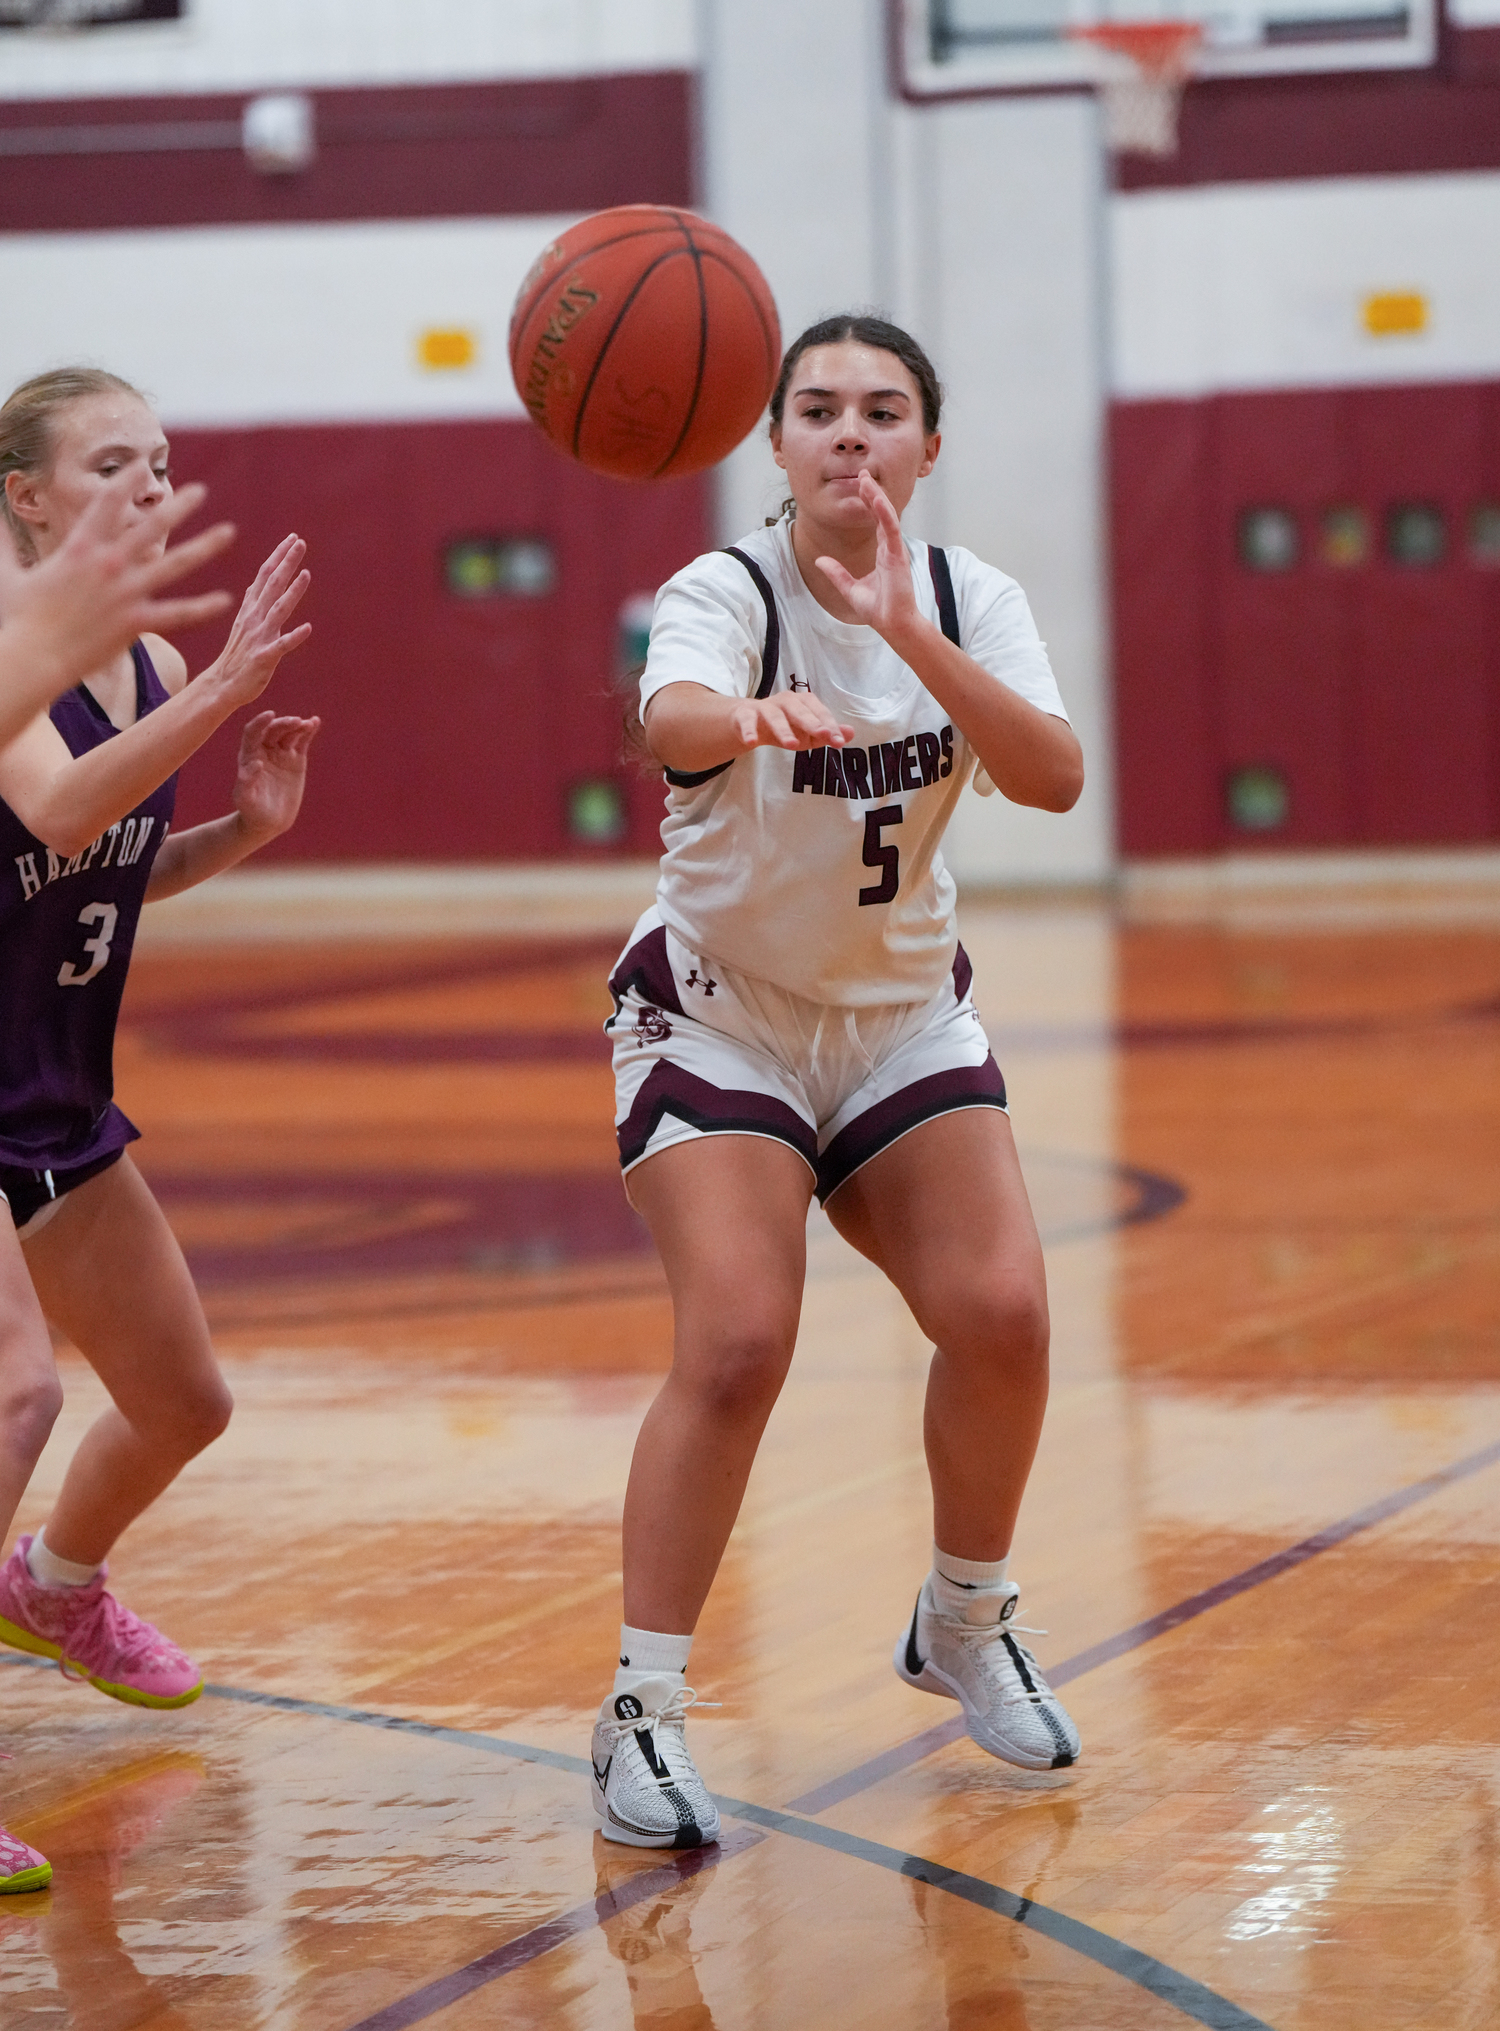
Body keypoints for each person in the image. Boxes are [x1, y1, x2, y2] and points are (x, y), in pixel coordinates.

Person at [591, 315, 1086, 1850]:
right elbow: (664, 719)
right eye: (817, 411)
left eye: (882, 413)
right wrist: (739, 717)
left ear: (926, 450)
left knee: (1002, 1314)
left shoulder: (969, 597)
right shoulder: (722, 591)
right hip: (721, 1016)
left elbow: (1057, 776)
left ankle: (962, 1616)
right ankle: (638, 1717)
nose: (848, 435)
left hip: (896, 1023)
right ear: (778, 445)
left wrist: (908, 637)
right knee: (739, 1337)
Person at [0, 367, 316, 1894]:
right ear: (29, 499)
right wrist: (213, 698)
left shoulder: (153, 664)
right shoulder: (10, 654)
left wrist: (236, 833)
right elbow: (55, 810)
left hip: (52, 1090)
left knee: (184, 1401)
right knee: (16, 1397)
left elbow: (107, 864)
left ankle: (54, 1588)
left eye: (162, 460)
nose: (147, 483)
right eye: (112, 462)